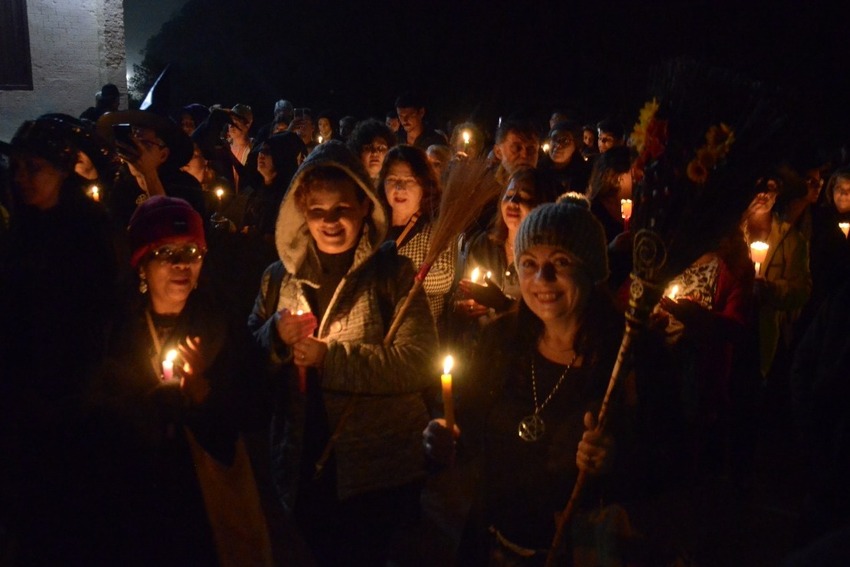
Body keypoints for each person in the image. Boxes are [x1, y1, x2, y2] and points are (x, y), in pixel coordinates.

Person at [248, 141, 438, 566]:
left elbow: (417, 360)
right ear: (302, 213)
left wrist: (328, 359)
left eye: (342, 208)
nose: (329, 221)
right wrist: (273, 337)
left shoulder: (392, 275)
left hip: (376, 473)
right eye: (317, 210)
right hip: (300, 465)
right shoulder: (278, 278)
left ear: (364, 207)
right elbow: (248, 361)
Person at [425, 195, 633, 565]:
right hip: (496, 540)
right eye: (529, 264)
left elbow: (669, 458)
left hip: (577, 549)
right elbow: (468, 420)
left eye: (561, 262)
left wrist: (615, 458)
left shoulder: (625, 356)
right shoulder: (499, 341)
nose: (542, 279)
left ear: (592, 269)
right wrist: (444, 433)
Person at [86, 195, 277, 564]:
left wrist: (205, 398)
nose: (180, 264)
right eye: (165, 252)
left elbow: (255, 410)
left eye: (191, 251)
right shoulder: (114, 331)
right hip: (134, 502)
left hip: (203, 505)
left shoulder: (221, 325)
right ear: (141, 265)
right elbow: (96, 419)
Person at [0, 116, 119, 563]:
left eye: (35, 169)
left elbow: (99, 316)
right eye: (18, 168)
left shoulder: (88, 233)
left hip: (74, 399)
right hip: (21, 397)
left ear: (63, 173)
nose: (22, 178)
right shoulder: (21, 233)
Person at [741, 174, 811, 379]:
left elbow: (802, 290)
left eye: (770, 187)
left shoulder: (791, 238)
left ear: (778, 193)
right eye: (759, 186)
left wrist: (771, 290)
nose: (763, 193)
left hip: (762, 334)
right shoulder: (731, 231)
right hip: (723, 332)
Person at [378, 144, 456, 325]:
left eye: (409, 180)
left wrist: (401, 280)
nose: (399, 187)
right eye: (392, 179)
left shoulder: (435, 226)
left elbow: (444, 277)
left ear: (424, 185)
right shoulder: (375, 224)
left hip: (421, 327)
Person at [97, 106, 206, 227]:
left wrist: (149, 174)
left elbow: (173, 233)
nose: (136, 149)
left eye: (145, 144)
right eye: (132, 141)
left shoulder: (186, 187)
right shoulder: (114, 183)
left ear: (163, 155)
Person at [587, 145, 633, 291]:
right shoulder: (593, 212)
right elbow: (584, 259)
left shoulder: (643, 206)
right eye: (633, 172)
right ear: (616, 178)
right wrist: (611, 248)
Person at [538, 120, 591, 193]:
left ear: (575, 146)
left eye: (565, 141)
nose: (558, 145)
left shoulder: (586, 176)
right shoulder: (538, 171)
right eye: (554, 138)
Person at [346, 118, 397, 186]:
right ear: (358, 152)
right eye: (368, 148)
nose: (375, 153)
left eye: (381, 148)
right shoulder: (348, 186)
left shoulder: (393, 186)